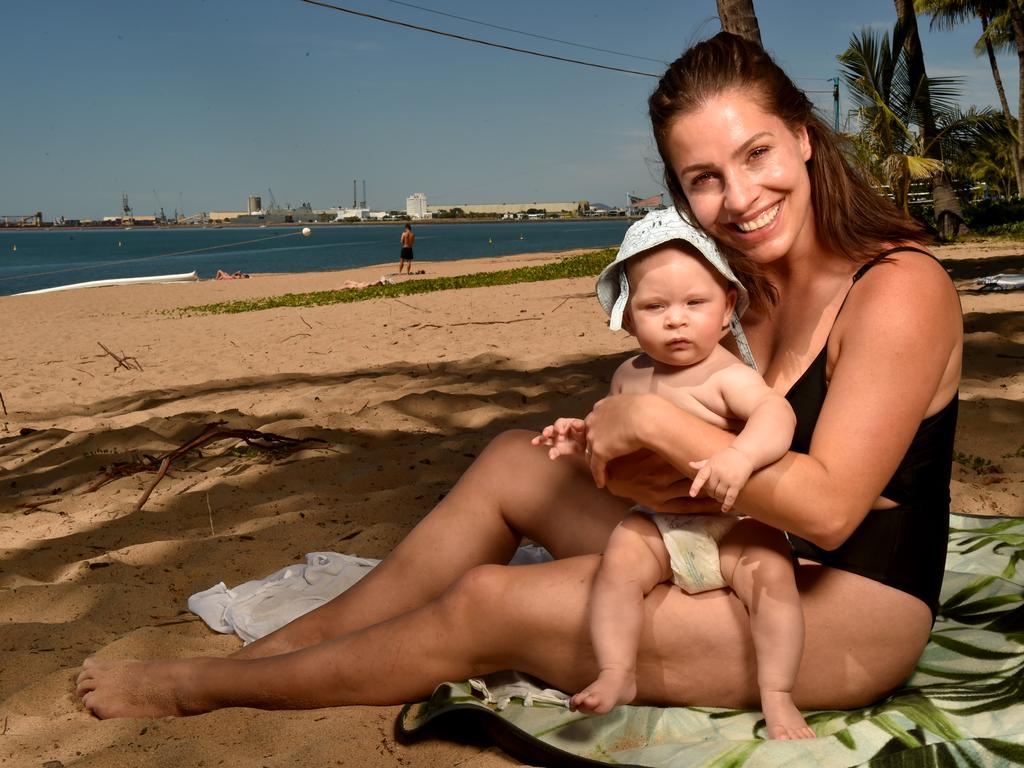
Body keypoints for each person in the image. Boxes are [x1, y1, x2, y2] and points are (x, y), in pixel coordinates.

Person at [76, 32, 961, 736]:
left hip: (845, 613)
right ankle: (284, 650)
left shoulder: (898, 291)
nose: (740, 197)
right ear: (682, 196)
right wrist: (620, 452)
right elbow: (709, 457)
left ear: (804, 137)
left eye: (758, 153)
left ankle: (205, 692)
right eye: (705, 180)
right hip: (736, 549)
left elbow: (834, 509)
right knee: (510, 461)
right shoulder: (747, 291)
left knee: (488, 602)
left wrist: (649, 430)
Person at [531, 208, 811, 738]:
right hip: (658, 524)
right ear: (629, 318)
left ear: (727, 307)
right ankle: (618, 671)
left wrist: (742, 456)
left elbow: (778, 416)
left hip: (732, 523)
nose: (676, 319)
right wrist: (578, 438)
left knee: (774, 578)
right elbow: (607, 433)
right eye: (655, 306)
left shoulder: (726, 374)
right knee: (617, 567)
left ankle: (778, 694)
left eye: (694, 303)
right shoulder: (626, 375)